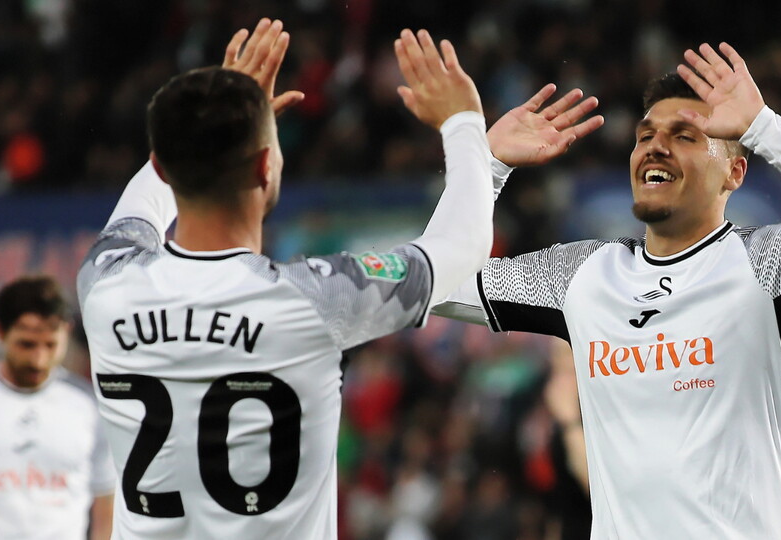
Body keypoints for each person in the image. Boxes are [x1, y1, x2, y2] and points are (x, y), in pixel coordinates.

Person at [436, 42, 781, 538]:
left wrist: (762, 129)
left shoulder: (768, 265)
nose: (655, 145)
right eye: (645, 135)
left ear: (735, 171)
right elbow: (438, 283)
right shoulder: (584, 275)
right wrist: (485, 165)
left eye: (685, 135)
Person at [76, 19, 495, 538]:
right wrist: (464, 124)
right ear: (267, 166)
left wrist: (217, 122)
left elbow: (145, 197)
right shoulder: (316, 299)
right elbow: (462, 247)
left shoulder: (103, 284)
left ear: (162, 164)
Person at [0, 275, 115, 540]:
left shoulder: (89, 406)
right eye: (26, 344)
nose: (38, 360)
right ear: (0, 332)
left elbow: (105, 506)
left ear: (67, 332)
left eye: (50, 345)